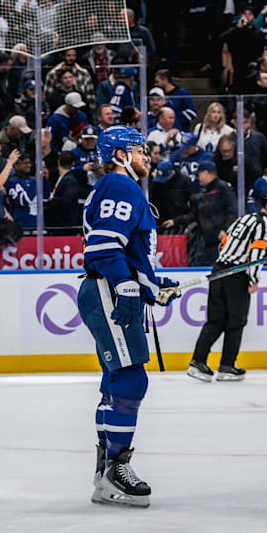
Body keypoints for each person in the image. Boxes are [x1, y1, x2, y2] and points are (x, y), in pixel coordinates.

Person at [78, 125, 179, 508]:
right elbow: (105, 246)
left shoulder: (118, 187)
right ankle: (115, 470)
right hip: (108, 290)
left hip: (107, 287)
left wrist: (152, 284)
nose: (146, 156)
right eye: (139, 150)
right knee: (131, 379)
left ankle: (106, 472)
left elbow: (126, 253)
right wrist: (126, 285)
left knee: (116, 380)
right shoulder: (120, 185)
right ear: (120, 155)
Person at [187, 190, 267, 383]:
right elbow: (256, 253)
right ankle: (227, 366)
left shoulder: (245, 218)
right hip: (236, 275)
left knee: (215, 320)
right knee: (236, 321)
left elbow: (224, 242)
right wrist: (254, 279)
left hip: (219, 270)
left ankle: (197, 362)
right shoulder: (264, 224)